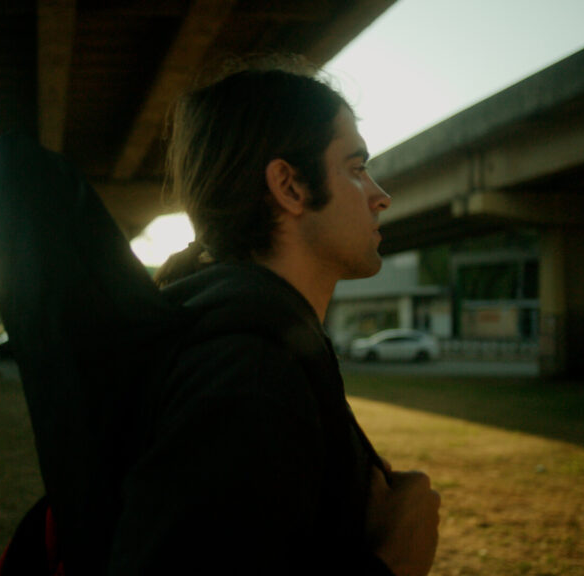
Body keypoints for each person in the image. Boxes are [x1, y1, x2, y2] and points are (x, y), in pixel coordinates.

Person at [120, 60, 441, 575]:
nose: (380, 196)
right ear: (289, 187)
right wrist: (394, 560)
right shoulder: (249, 380)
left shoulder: (241, 343)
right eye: (356, 169)